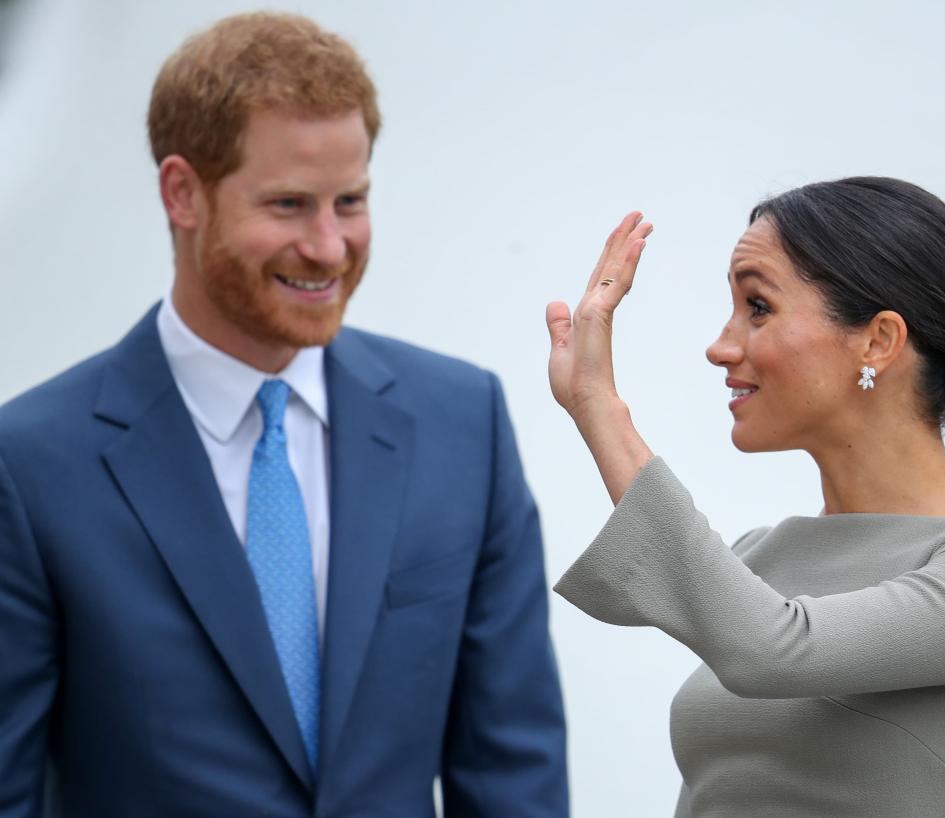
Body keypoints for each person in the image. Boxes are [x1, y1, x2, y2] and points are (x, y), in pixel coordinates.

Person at [0, 12, 567, 817]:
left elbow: (515, 774)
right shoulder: (29, 466)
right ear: (182, 193)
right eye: (291, 204)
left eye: (351, 200)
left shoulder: (462, 425)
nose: (330, 246)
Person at [546, 178, 945, 817]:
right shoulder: (758, 557)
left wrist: (597, 405)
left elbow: (771, 649)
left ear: (879, 341)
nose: (721, 346)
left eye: (758, 307)